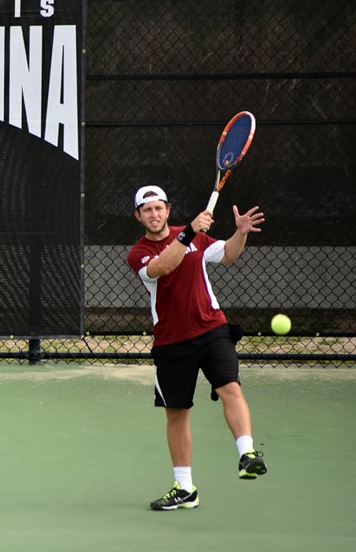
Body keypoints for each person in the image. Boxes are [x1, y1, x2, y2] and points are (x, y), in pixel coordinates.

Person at [126, 185, 267, 511]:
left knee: (230, 388)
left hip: (212, 330)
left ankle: (247, 454)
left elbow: (228, 255)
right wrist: (189, 231)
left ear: (167, 209)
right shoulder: (139, 252)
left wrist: (240, 233)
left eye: (159, 208)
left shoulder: (195, 237)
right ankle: (185, 489)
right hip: (172, 342)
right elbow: (161, 267)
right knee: (177, 414)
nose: (154, 214)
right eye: (147, 210)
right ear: (138, 216)